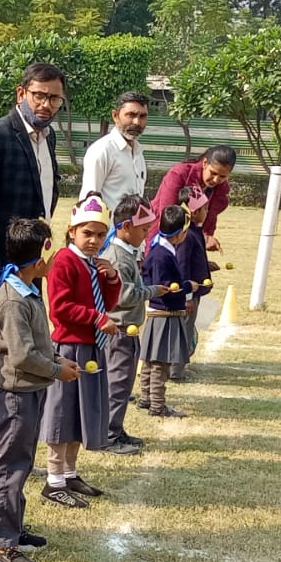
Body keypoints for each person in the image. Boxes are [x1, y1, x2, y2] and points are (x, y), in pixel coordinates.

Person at [0, 62, 67, 442]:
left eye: (54, 98)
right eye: (39, 95)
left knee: (20, 358)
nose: (46, 104)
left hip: (30, 271)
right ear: (21, 93)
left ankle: (5, 446)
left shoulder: (47, 139)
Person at [0, 218, 79, 562]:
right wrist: (57, 371)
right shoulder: (12, 300)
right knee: (8, 467)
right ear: (40, 258)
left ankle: (12, 529)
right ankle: (0, 543)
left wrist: (56, 358)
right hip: (15, 397)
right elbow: (22, 356)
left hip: (30, 392)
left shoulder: (27, 290)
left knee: (20, 464)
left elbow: (34, 343)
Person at [41, 195, 132, 511]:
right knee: (63, 413)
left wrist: (112, 279)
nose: (94, 240)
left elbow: (106, 301)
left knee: (82, 413)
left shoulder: (94, 263)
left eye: (100, 234)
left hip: (92, 347)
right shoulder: (64, 261)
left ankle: (69, 473)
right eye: (87, 233)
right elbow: (60, 308)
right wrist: (95, 318)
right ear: (72, 231)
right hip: (70, 348)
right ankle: (54, 481)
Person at [101, 195, 164, 447]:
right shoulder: (117, 257)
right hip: (118, 331)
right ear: (126, 227)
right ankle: (108, 434)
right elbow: (123, 296)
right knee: (116, 385)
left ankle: (115, 428)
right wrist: (153, 291)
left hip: (127, 331)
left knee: (124, 384)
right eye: (144, 230)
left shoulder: (127, 253)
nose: (147, 235)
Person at [138, 201, 194, 417]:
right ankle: (157, 405)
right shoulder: (163, 255)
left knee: (150, 361)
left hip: (158, 313)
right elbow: (165, 288)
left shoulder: (158, 249)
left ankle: (145, 398)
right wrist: (188, 287)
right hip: (164, 315)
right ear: (180, 234)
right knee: (159, 362)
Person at [149, 145, 236, 253]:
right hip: (161, 235)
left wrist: (206, 238)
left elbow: (210, 217)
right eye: (213, 173)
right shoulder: (179, 174)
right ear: (205, 163)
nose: (215, 180)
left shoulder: (221, 188)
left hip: (189, 241)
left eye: (222, 177)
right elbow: (167, 213)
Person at [171, 190, 215, 382]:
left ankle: (178, 367)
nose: (207, 212)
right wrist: (186, 296)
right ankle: (175, 371)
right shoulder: (186, 235)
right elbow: (182, 267)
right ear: (194, 211)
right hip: (188, 295)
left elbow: (193, 260)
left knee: (186, 330)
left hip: (194, 292)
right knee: (183, 331)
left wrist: (206, 266)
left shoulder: (194, 231)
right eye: (204, 209)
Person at [78, 91, 151, 206]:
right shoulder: (102, 150)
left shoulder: (138, 152)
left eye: (142, 116)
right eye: (131, 115)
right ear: (115, 116)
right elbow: (89, 202)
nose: (137, 122)